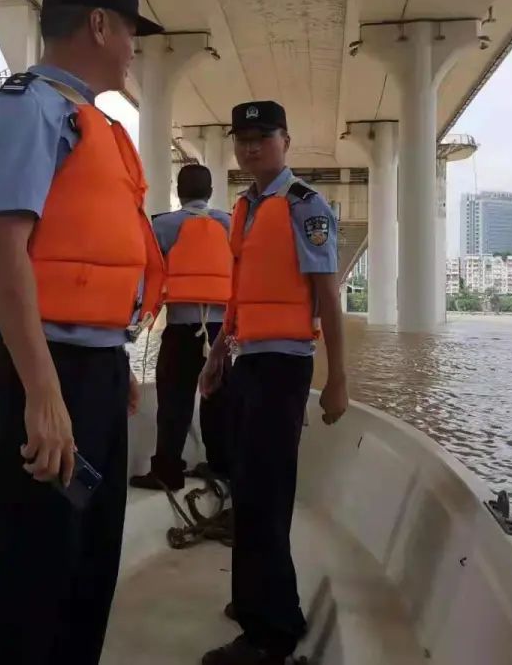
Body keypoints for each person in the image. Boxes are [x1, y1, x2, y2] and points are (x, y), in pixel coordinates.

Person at [0, 0, 166, 665]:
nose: (134, 47)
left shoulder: (93, 123)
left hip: (90, 368)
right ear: (100, 24)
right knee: (30, 572)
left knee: (86, 565)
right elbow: (2, 249)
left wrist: (110, 360)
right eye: (131, 30)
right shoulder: (29, 110)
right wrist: (45, 395)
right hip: (41, 371)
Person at [199, 101, 349, 665]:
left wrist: (338, 378)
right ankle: (255, 602)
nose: (250, 147)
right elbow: (241, 295)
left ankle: (271, 634)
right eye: (242, 138)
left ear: (285, 140)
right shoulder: (245, 208)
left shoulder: (305, 205)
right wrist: (218, 351)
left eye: (262, 136)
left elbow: (327, 295)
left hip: (284, 366)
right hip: (248, 363)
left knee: (265, 495)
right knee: (247, 487)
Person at [130, 163, 234, 492]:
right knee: (218, 400)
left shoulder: (163, 226)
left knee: (174, 401)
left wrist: (138, 317)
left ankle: (167, 471)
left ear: (178, 191)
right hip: (221, 332)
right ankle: (220, 466)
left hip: (180, 329)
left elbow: (146, 273)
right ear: (210, 193)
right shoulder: (231, 224)